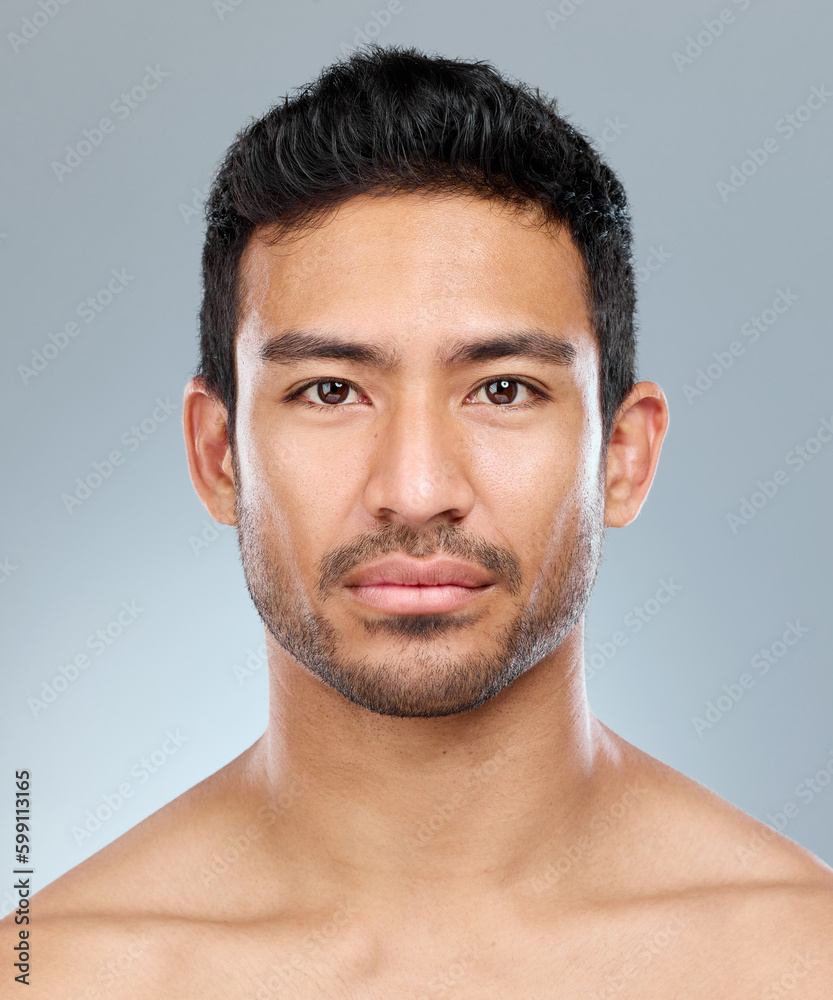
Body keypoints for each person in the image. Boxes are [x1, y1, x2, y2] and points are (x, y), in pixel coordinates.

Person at [8, 43, 832, 998]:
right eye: (329, 390)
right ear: (218, 456)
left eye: (502, 388)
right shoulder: (48, 973)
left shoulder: (799, 962)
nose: (414, 486)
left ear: (623, 456)